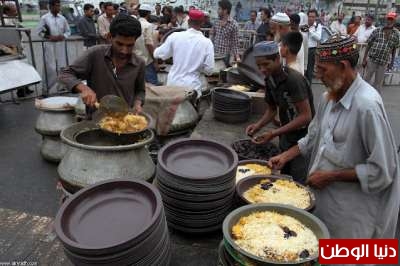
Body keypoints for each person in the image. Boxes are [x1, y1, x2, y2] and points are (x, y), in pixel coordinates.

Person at [268, 35, 400, 240]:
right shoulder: (328, 97)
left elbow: (383, 170)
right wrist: (286, 155)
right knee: (320, 249)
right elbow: (313, 137)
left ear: (344, 66)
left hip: (351, 212)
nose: (318, 75)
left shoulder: (367, 106)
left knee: (345, 257)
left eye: (323, 69)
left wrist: (332, 176)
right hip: (324, 202)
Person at [246, 41, 314, 183]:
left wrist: (274, 133)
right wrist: (257, 126)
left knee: (298, 179)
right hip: (286, 136)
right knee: (283, 175)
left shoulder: (293, 80)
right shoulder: (269, 79)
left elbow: (306, 117)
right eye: (259, 66)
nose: (262, 69)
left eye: (266, 64)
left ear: (277, 59)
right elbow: (272, 109)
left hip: (303, 139)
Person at [59, 14, 145, 113]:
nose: (124, 51)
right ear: (110, 37)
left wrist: (138, 103)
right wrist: (84, 88)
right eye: (119, 44)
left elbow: (140, 91)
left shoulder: (139, 63)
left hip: (124, 122)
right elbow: (65, 74)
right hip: (95, 120)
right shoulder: (95, 54)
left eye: (130, 45)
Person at [154, 9, 214, 98]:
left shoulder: (175, 36)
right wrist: (198, 66)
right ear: (202, 23)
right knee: (189, 111)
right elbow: (209, 70)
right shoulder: (207, 43)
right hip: (191, 89)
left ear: (189, 21)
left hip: (172, 86)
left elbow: (157, 54)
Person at [37, 0, 71, 91]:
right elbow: (39, 32)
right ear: (51, 7)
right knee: (50, 67)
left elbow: (68, 31)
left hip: (60, 44)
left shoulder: (62, 18)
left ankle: (61, 86)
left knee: (62, 65)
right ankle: (45, 88)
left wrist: (63, 36)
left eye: (59, 6)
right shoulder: (45, 18)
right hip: (49, 45)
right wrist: (49, 37)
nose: (58, 8)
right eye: (56, 6)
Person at [363, 12, 400, 92]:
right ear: (386, 20)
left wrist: (392, 63)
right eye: (388, 19)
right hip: (372, 59)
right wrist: (364, 59)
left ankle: (375, 100)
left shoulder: (396, 34)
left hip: (384, 62)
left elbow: (394, 49)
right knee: (366, 80)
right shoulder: (377, 30)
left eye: (391, 19)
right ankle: (361, 96)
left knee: (378, 83)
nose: (389, 21)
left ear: (394, 21)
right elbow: (369, 44)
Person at [135, 4, 159, 86]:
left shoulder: (135, 23)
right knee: (153, 85)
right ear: (148, 14)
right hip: (146, 61)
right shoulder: (148, 25)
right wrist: (155, 60)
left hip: (135, 58)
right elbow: (149, 44)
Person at [212, 0, 240, 66]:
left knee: (223, 74)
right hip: (214, 55)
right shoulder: (216, 22)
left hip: (225, 57)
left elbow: (235, 44)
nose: (217, 11)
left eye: (219, 9)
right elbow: (212, 36)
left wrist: (237, 58)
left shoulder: (234, 24)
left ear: (225, 10)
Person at [303, 9, 322, 83]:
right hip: (303, 49)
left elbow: (319, 38)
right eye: (309, 16)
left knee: (309, 71)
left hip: (311, 50)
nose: (311, 18)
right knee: (301, 69)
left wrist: (309, 31)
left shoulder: (317, 26)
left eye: (313, 17)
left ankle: (308, 89)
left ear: (315, 17)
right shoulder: (303, 25)